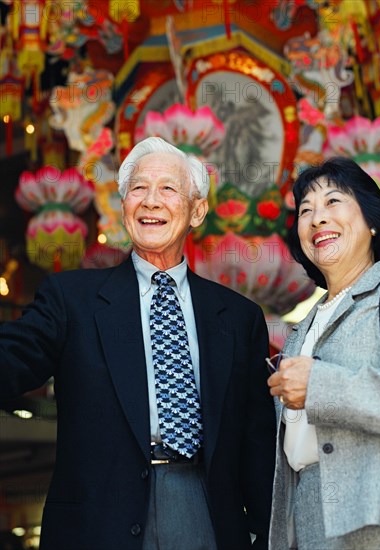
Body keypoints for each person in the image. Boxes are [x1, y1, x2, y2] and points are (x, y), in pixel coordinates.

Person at [0, 137, 276, 550]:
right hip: (99, 521)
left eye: (168, 188)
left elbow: (257, 440)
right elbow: (13, 357)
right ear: (123, 205)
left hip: (205, 510)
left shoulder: (239, 317)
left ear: (197, 210)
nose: (150, 201)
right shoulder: (71, 299)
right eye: (138, 188)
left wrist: (266, 532)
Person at [267, 157, 380, 549]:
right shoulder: (301, 331)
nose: (317, 219)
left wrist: (321, 386)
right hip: (306, 523)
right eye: (305, 211)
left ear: (372, 221)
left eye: (333, 202)